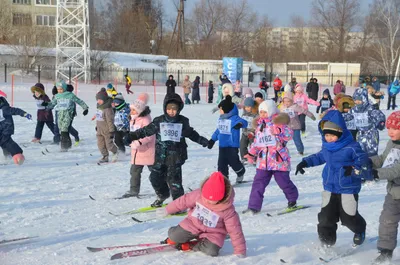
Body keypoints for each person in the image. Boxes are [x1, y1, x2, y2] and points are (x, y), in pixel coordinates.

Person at [295, 110, 372, 247]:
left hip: (347, 187)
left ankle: (360, 230)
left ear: (340, 132)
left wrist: (354, 169)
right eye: (326, 135)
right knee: (325, 218)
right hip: (330, 186)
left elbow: (364, 161)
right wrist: (305, 162)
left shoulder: (352, 147)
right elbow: (319, 157)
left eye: (332, 135)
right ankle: (327, 243)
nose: (329, 138)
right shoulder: (327, 147)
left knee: (348, 217)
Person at [123, 93, 209, 207]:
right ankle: (163, 195)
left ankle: (179, 204)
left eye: (174, 109)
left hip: (176, 157)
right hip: (160, 157)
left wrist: (202, 140)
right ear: (165, 108)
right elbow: (145, 131)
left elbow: (191, 133)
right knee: (154, 178)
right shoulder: (159, 121)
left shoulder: (182, 121)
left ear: (179, 109)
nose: (171, 111)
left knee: (174, 182)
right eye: (169, 109)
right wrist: (131, 136)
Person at [157, 171, 246, 257]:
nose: (208, 201)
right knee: (175, 235)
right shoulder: (198, 194)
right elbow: (183, 201)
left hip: (214, 233)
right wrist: (168, 209)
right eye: (206, 198)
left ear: (221, 198)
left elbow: (235, 231)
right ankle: (172, 239)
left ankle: (192, 245)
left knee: (211, 251)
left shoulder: (228, 210)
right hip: (192, 224)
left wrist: (240, 250)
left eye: (212, 200)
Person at [242, 100, 298, 214]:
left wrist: (280, 130)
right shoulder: (259, 126)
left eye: (265, 112)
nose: (262, 114)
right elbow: (257, 142)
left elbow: (289, 135)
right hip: (263, 161)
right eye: (261, 112)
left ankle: (292, 199)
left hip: (279, 160)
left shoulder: (279, 123)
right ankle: (253, 206)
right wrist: (251, 153)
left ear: (271, 111)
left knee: (283, 182)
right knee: (258, 183)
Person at [370, 111, 400, 264]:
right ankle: (386, 252)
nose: (390, 131)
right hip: (394, 193)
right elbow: (383, 160)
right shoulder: (392, 143)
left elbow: (396, 170)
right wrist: (368, 162)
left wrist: (375, 174)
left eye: (394, 128)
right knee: (387, 220)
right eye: (388, 128)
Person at [208, 95, 247, 184]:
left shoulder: (234, 118)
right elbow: (218, 131)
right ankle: (223, 181)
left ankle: (240, 171)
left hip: (232, 145)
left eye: (221, 109)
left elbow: (245, 122)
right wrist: (212, 140)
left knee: (234, 162)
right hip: (222, 146)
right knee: (221, 164)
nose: (220, 111)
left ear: (226, 109)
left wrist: (240, 124)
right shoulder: (221, 119)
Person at [122, 93, 155, 198]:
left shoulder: (146, 120)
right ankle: (133, 190)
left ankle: (164, 189)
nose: (131, 112)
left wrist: (139, 142)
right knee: (134, 172)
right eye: (131, 109)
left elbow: (150, 135)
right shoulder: (132, 119)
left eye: (134, 110)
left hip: (148, 151)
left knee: (155, 173)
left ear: (140, 111)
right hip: (136, 152)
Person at [43, 80, 89, 151]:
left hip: (68, 114)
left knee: (64, 129)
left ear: (64, 88)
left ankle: (64, 147)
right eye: (58, 89)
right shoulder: (57, 96)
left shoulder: (70, 95)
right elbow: (52, 104)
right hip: (60, 114)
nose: (59, 91)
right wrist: (47, 105)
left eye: (61, 89)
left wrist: (85, 108)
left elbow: (79, 101)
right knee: (62, 130)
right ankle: (68, 144)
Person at [349, 88, 386, 157]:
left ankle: (373, 163)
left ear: (364, 99)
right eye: (355, 100)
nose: (357, 102)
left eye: (360, 100)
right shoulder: (353, 110)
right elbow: (349, 117)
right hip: (360, 134)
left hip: (371, 134)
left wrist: (380, 122)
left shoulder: (369, 108)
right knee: (360, 152)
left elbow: (378, 115)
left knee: (371, 153)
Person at [0, 90, 31, 165]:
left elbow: (15, 110)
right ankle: (8, 157)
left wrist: (24, 114)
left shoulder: (4, 109)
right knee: (3, 144)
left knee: (7, 142)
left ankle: (18, 155)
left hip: (6, 130)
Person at [95, 89, 118, 163]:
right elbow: (99, 118)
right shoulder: (99, 108)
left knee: (109, 145)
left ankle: (115, 152)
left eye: (100, 100)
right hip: (99, 130)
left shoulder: (108, 109)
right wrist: (97, 126)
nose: (98, 101)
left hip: (107, 130)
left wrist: (111, 130)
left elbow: (110, 120)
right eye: (97, 100)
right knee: (100, 145)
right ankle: (105, 156)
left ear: (104, 100)